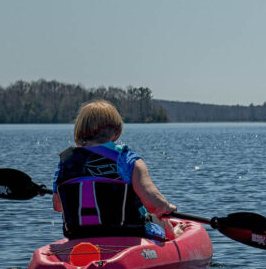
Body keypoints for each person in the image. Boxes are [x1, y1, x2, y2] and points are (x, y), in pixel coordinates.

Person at [52, 99, 181, 240]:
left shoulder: (65, 162)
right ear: (116, 133)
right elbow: (154, 205)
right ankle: (176, 235)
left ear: (79, 132)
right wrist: (167, 207)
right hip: (128, 233)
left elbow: (58, 206)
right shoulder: (128, 160)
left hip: (79, 235)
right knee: (160, 218)